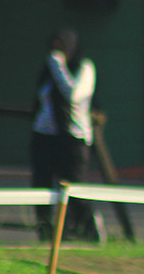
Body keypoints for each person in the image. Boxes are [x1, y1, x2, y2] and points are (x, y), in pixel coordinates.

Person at [29, 28, 104, 242]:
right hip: (45, 136)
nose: (57, 51)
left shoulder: (84, 67)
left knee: (74, 189)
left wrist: (57, 65)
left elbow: (73, 94)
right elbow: (41, 100)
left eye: (61, 46)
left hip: (73, 138)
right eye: (53, 46)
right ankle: (46, 232)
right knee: (41, 186)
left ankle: (87, 228)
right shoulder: (48, 71)